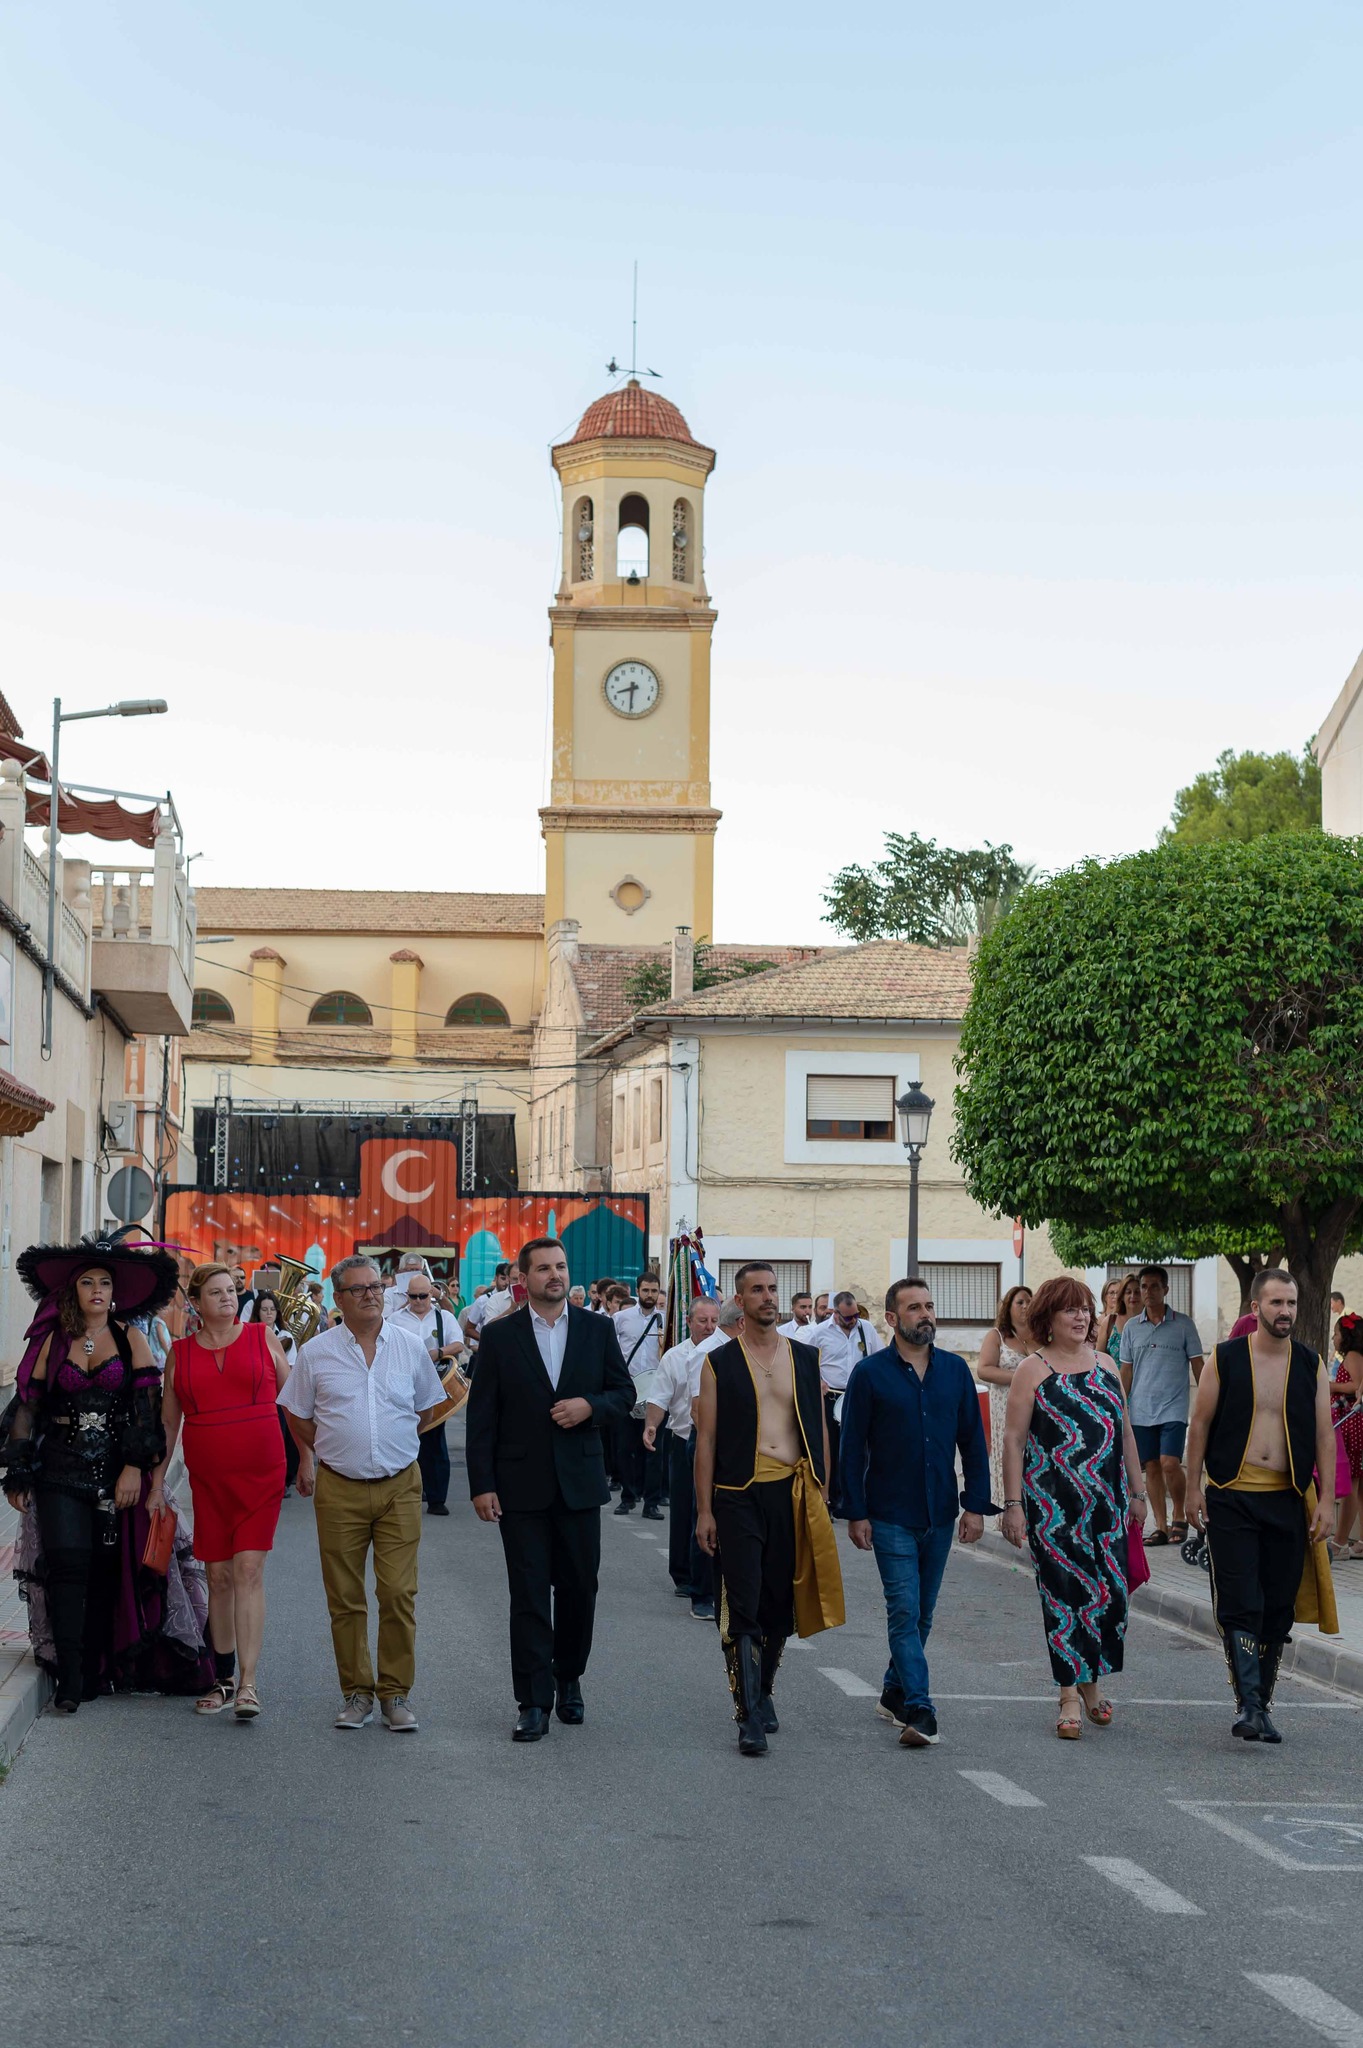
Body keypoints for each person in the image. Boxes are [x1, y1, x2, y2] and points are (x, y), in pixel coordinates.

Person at [1, 1238, 212, 1711]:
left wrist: (135, 1468)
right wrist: (18, 1472)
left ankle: (97, 1669)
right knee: (66, 1567)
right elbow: (28, 1405)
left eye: (104, 1283)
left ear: (114, 1293)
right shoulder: (52, 1339)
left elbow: (147, 1411)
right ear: (73, 1291)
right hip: (58, 1468)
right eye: (87, 1282)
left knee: (103, 1571)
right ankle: (71, 1678)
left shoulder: (130, 1337)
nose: (96, 1289)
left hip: (115, 1472)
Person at [465, 1237, 634, 1742]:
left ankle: (569, 1676)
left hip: (579, 1483)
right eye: (543, 1268)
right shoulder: (500, 1336)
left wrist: (590, 1407)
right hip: (520, 1487)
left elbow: (623, 1393)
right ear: (524, 1278)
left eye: (560, 1266)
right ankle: (533, 1701)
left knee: (580, 1589)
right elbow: (482, 1416)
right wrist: (482, 1485)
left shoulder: (596, 1329)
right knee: (529, 1594)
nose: (554, 1274)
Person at [279, 1255, 445, 1733]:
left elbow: (425, 1410)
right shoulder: (317, 1352)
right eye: (358, 1289)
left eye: (375, 1286)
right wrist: (331, 1447)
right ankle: (356, 1692)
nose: (370, 1295)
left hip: (400, 1486)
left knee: (398, 1592)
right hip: (339, 1488)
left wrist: (391, 1442)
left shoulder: (409, 1346)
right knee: (345, 1596)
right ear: (339, 1298)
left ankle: (395, 1693)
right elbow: (296, 1412)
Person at [694, 1262, 844, 1757]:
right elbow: (706, 1440)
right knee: (744, 1602)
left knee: (779, 1603)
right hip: (737, 1494)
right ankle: (748, 1716)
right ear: (740, 1301)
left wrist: (823, 1488)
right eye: (757, 1290)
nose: (768, 1297)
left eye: (772, 1289)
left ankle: (763, 1689)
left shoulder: (804, 1357)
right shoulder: (719, 1363)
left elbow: (817, 1427)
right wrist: (704, 1511)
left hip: (791, 1491)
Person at [1185, 1268, 1337, 1743]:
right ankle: (1249, 1705)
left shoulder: (1311, 1364)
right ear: (1256, 1308)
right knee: (1240, 1601)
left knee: (1277, 1604)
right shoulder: (1226, 1357)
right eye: (1276, 1303)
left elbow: (1324, 1435)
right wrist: (1192, 1488)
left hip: (1287, 1499)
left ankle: (1262, 1705)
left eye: (1290, 1303)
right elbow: (1199, 1423)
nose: (1285, 1311)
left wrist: (1327, 1500)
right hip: (1231, 1496)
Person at [841, 1277, 991, 1747]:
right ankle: (921, 1709)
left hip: (940, 1511)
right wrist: (855, 1512)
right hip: (889, 1513)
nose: (925, 1314)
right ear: (891, 1318)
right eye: (914, 1307)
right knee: (904, 1609)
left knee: (923, 1613)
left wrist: (975, 1506)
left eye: (929, 1306)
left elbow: (974, 1442)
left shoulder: (956, 1371)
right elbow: (851, 1449)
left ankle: (893, 1691)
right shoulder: (869, 1374)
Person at [1002, 1275, 1147, 1740]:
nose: (1081, 1316)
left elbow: (1124, 1431)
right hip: (1054, 1509)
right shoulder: (1033, 1369)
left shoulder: (1106, 1363)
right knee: (1065, 1599)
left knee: (1108, 1598)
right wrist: (1012, 1505)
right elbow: (1013, 1439)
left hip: (1108, 1505)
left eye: (1085, 1308)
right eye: (1070, 1309)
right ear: (1049, 1318)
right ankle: (1070, 1694)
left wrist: (1139, 1493)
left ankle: (1089, 1681)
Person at [152, 1263, 296, 1721]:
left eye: (231, 1290)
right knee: (217, 1576)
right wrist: (156, 1482)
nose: (228, 1298)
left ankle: (249, 1683)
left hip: (262, 1473)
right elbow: (169, 1423)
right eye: (215, 1292)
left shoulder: (262, 1337)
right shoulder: (179, 1353)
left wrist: (311, 1459)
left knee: (248, 1568)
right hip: (209, 1480)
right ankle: (224, 1678)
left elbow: (295, 1403)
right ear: (195, 1303)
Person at [643, 1295, 722, 1618]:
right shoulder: (675, 1357)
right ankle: (684, 1575)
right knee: (684, 1508)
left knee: (709, 1510)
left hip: (718, 1445)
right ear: (689, 1322)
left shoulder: (726, 1352)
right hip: (684, 1440)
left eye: (714, 1321)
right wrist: (651, 1425)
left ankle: (710, 1573)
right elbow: (659, 1397)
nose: (709, 1327)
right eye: (703, 1321)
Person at [1119, 1265, 1204, 1548]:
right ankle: (1161, 1526)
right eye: (1144, 1286)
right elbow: (1126, 1371)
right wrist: (1119, 1404)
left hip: (1174, 1407)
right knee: (1152, 1466)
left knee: (1170, 1463)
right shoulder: (1132, 1328)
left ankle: (1179, 1514)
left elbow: (1198, 1365)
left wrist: (1210, 1401)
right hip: (1141, 1409)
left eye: (1154, 1286)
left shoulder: (1183, 1325)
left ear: (1166, 1289)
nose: (1148, 1292)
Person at [393, 1270, 466, 1517]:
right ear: (407, 1295)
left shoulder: (444, 1317)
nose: (418, 1301)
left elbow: (459, 1344)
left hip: (435, 1383)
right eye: (413, 1296)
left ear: (431, 1295)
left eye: (423, 1296)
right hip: (402, 1384)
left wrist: (438, 1352)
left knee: (435, 1441)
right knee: (405, 1438)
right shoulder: (395, 1319)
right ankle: (407, 1493)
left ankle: (436, 1498)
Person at [810, 1290, 883, 1518]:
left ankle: (858, 1498)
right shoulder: (819, 1332)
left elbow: (880, 1358)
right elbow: (805, 1362)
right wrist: (818, 1380)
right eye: (848, 1317)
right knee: (832, 1449)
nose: (853, 1321)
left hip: (859, 1396)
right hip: (831, 1396)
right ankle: (832, 1499)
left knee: (860, 1449)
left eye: (855, 1315)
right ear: (835, 1313)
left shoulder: (865, 1328)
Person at [975, 1286, 1032, 1515]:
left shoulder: (1040, 1335)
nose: (1026, 1306)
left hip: (1034, 1408)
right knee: (1010, 1455)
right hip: (1006, 1407)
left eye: (1029, 1301)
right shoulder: (997, 1336)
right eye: (1020, 1302)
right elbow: (984, 1370)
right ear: (1008, 1307)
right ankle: (1010, 1512)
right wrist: (1020, 1377)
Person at [613, 1272, 665, 1519]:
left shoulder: (665, 1320)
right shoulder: (620, 1319)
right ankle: (628, 1497)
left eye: (654, 1291)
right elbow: (611, 1350)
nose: (650, 1295)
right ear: (637, 1291)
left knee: (653, 1450)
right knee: (626, 1448)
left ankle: (651, 1503)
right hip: (628, 1390)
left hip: (656, 1393)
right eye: (646, 1290)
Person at [253, 1289, 299, 1492]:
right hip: (257, 1394)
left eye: (272, 1309)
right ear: (258, 1312)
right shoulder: (249, 1334)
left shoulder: (286, 1336)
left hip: (279, 1394)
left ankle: (281, 1479)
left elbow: (290, 1367)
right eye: (264, 1309)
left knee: (280, 1437)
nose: (269, 1313)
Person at [383, 1252, 433, 1320]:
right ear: (400, 1271)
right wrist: (410, 1301)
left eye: (417, 1270)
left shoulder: (428, 1292)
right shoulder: (388, 1294)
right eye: (410, 1270)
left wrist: (439, 1296)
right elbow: (386, 1321)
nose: (414, 1273)